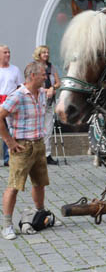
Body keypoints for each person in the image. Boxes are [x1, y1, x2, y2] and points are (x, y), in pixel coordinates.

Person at [0, 61, 51, 240]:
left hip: (38, 144)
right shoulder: (18, 96)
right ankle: (7, 225)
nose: (46, 77)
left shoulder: (42, 94)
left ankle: (40, 214)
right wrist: (9, 142)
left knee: (40, 183)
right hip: (21, 147)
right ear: (32, 76)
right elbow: (0, 117)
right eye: (43, 75)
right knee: (14, 186)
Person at [32, 45, 60, 165]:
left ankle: (47, 155)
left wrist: (52, 88)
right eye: (44, 53)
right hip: (37, 102)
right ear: (39, 54)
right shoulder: (33, 67)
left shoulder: (51, 67)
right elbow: (31, 84)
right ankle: (36, 155)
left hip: (49, 103)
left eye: (47, 52)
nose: (47, 54)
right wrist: (45, 90)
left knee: (48, 129)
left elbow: (59, 82)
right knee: (37, 128)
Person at [0, 45, 23, 167]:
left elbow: (19, 87)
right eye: (5, 52)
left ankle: (8, 157)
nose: (8, 54)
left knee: (8, 130)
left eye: (9, 52)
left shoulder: (15, 69)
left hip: (10, 103)